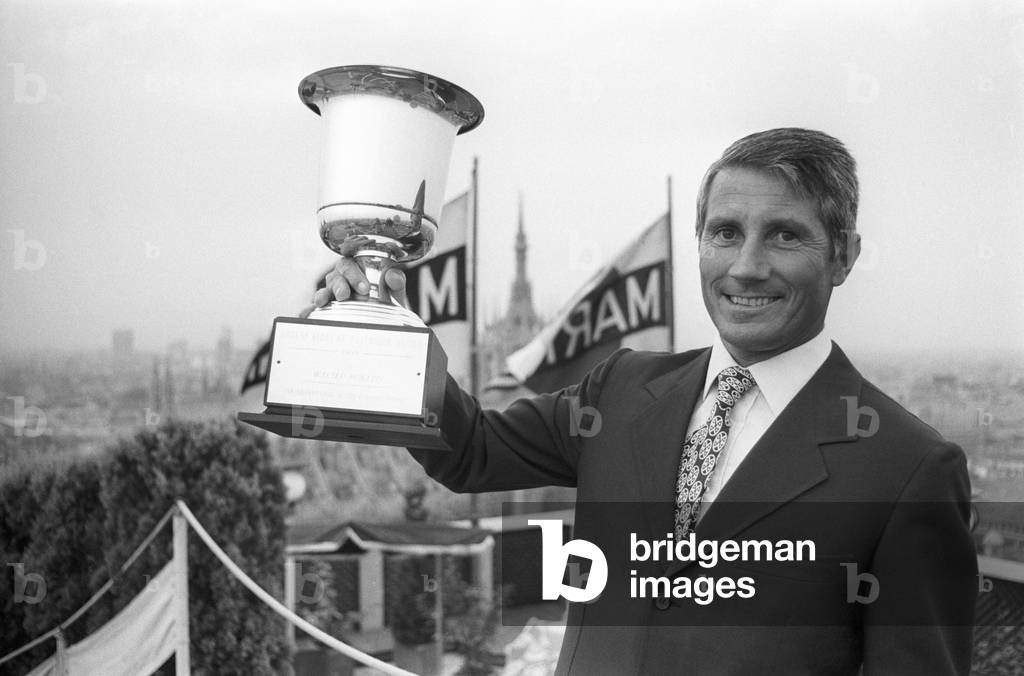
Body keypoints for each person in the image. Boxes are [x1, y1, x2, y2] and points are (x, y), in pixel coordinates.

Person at [311, 128, 977, 675]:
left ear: (843, 256)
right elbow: (472, 451)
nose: (746, 265)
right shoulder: (625, 388)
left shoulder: (907, 470)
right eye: (724, 232)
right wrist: (384, 318)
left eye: (784, 235)